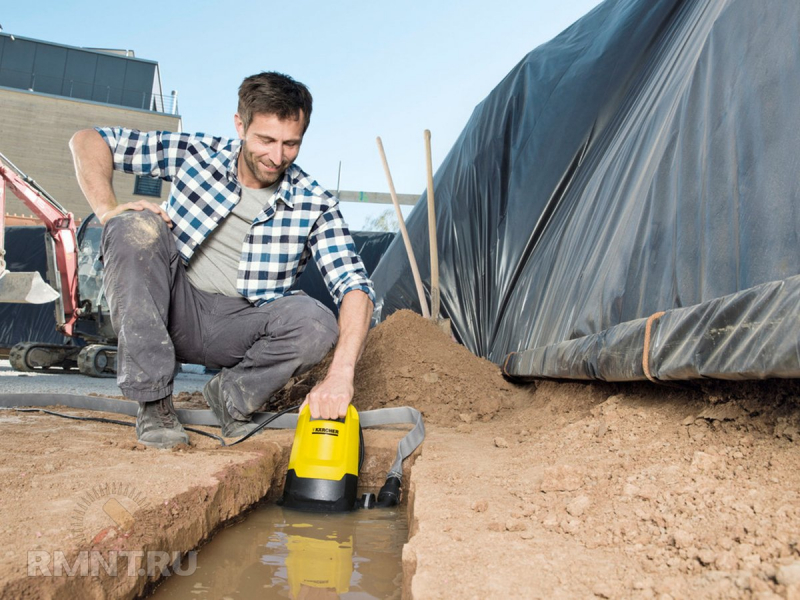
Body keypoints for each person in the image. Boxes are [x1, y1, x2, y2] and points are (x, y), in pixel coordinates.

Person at [69, 72, 374, 448]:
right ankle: (154, 404)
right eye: (265, 140)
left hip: (241, 326)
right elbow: (88, 140)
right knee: (134, 225)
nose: (277, 157)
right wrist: (107, 210)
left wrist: (342, 373)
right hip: (174, 307)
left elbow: (354, 285)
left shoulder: (316, 203)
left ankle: (230, 398)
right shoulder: (196, 154)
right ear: (240, 125)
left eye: (290, 144)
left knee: (316, 323)